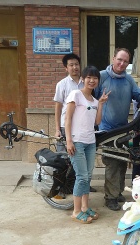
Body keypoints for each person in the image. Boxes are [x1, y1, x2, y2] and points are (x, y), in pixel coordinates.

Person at [94, 48, 140, 211]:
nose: (122, 64)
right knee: (112, 163)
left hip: (123, 128)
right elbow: (90, 96)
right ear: (113, 58)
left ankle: (118, 191)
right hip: (106, 129)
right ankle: (110, 197)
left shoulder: (128, 79)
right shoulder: (102, 76)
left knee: (123, 162)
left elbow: (138, 95)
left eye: (125, 61)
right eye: (119, 60)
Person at [65, 66, 110, 224]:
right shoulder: (75, 94)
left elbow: (97, 122)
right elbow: (68, 119)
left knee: (88, 176)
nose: (92, 80)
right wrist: (68, 140)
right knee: (82, 176)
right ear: (83, 78)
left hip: (91, 142)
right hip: (77, 141)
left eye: (95, 78)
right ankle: (76, 211)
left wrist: (102, 104)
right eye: (89, 77)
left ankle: (85, 208)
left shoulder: (95, 101)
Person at [53, 53, 97, 193]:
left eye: (76, 64)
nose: (74, 67)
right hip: (66, 125)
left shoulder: (86, 82)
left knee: (82, 163)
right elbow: (58, 107)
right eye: (71, 65)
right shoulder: (62, 84)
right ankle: (61, 188)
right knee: (65, 159)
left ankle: (82, 185)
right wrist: (57, 129)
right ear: (66, 68)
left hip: (83, 128)